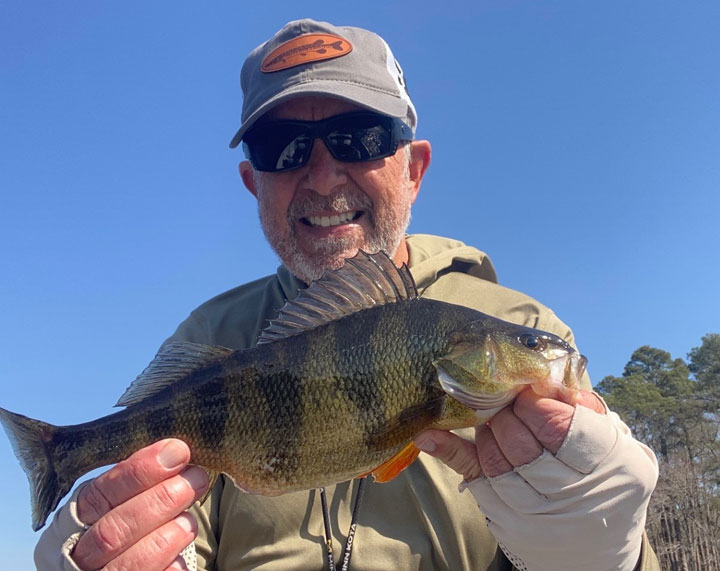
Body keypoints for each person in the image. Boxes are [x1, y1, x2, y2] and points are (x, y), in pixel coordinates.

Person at [34, 19, 660, 571]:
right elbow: (177, 533)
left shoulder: (517, 320)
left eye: (360, 137)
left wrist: (599, 554)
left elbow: (591, 521)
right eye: (285, 148)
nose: (323, 174)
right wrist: (111, 552)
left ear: (413, 168)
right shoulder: (211, 334)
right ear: (255, 184)